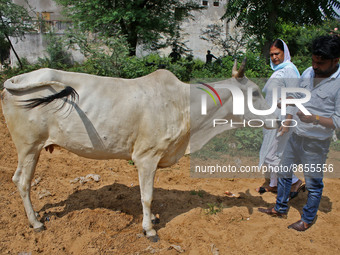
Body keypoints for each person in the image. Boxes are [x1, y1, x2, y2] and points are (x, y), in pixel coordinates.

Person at [258, 35, 340, 231]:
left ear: (335, 61)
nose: (315, 66)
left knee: (313, 183)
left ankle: (307, 218)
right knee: (284, 173)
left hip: (316, 142)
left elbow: (337, 121)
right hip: (296, 134)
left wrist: (314, 118)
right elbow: (297, 95)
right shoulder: (308, 73)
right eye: (313, 61)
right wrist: (286, 102)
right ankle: (280, 208)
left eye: (320, 63)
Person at [257, 39, 304, 197]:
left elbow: (293, 96)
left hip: (283, 118)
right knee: (276, 152)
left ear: (285, 53)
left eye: (277, 53)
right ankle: (274, 184)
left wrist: (287, 121)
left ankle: (294, 181)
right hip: (272, 119)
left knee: (272, 154)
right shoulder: (278, 70)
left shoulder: (289, 70)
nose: (274, 57)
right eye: (271, 54)